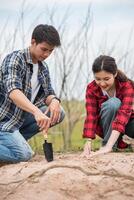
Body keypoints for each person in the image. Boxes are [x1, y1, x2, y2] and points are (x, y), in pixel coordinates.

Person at [0, 24, 65, 163]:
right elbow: (13, 91)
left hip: (19, 119)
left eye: (51, 51)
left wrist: (54, 101)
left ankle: (14, 143)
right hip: (4, 121)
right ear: (33, 42)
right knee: (24, 155)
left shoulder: (43, 67)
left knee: (59, 112)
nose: (46, 54)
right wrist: (36, 112)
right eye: (44, 49)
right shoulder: (15, 59)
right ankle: (14, 146)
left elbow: (48, 92)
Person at [82, 55, 134, 158]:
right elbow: (91, 116)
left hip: (125, 124)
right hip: (105, 127)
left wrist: (108, 146)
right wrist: (88, 141)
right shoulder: (91, 88)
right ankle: (109, 145)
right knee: (113, 104)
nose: (102, 83)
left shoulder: (127, 86)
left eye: (106, 79)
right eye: (98, 79)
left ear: (114, 74)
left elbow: (123, 115)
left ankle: (122, 143)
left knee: (115, 104)